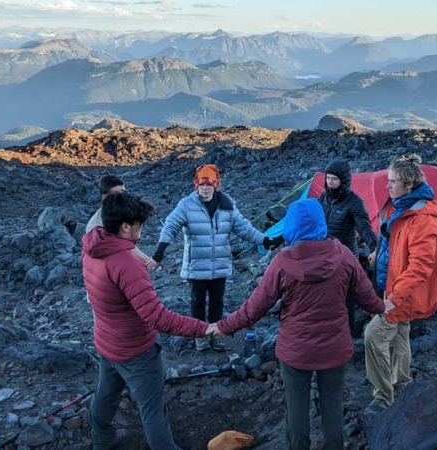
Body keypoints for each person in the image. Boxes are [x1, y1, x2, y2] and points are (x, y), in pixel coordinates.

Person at [215, 199, 391, 450]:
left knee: (296, 413)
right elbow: (366, 297)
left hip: (296, 352)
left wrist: (224, 326)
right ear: (322, 223)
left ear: (292, 226)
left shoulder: (282, 262)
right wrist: (384, 308)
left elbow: (253, 309)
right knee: (333, 409)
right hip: (335, 348)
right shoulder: (343, 255)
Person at [82, 192, 217, 450]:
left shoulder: (92, 247)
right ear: (124, 226)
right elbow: (157, 317)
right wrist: (204, 328)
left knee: (106, 394)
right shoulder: (127, 264)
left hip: (106, 341)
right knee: (153, 411)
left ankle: (103, 440)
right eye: (139, 225)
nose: (141, 231)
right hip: (135, 350)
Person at [152, 164, 283, 352]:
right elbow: (170, 226)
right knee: (197, 301)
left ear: (216, 185)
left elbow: (244, 229)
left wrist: (264, 240)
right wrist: (160, 252)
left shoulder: (227, 205)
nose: (205, 188)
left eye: (209, 184)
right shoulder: (186, 205)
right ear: (196, 185)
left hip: (220, 263)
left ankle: (215, 334)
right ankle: (199, 336)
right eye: (201, 184)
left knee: (217, 301)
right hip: (196, 265)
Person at [364, 154, 437, 414]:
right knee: (399, 334)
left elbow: (421, 266)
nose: (387, 186)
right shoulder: (397, 206)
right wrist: (378, 253)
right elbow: (391, 240)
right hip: (390, 285)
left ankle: (382, 398)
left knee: (373, 335)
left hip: (402, 292)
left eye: (393, 181)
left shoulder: (423, 219)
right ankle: (401, 383)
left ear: (409, 184)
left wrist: (394, 297)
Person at [318, 159, 378, 338]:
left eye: (334, 179)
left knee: (346, 299)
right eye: (328, 178)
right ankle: (330, 335)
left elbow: (364, 227)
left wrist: (375, 247)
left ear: (343, 181)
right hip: (325, 257)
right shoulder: (324, 198)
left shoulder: (354, 202)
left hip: (345, 258)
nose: (330, 182)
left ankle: (349, 336)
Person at [86, 175, 157, 271]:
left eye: (124, 192)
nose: (123, 196)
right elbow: (118, 245)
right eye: (118, 194)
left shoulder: (120, 213)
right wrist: (146, 260)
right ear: (104, 197)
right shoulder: (96, 226)